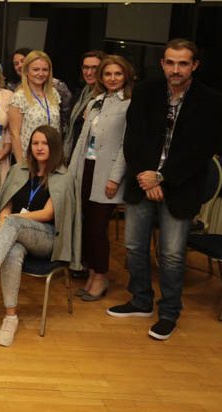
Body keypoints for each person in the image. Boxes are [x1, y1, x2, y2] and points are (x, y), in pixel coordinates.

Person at [108, 39, 222, 340]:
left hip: (181, 187)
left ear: (194, 65)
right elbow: (132, 140)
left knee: (172, 255)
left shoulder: (212, 101)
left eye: (183, 63)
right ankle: (141, 300)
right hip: (142, 182)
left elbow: (201, 152)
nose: (176, 69)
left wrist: (161, 178)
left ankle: (169, 312)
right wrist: (145, 177)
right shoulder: (145, 92)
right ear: (162, 63)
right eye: (170, 63)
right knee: (134, 247)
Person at [0, 125, 81, 346]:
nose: (39, 147)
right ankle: (10, 317)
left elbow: (48, 213)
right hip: (16, 234)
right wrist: (4, 218)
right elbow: (6, 202)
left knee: (13, 224)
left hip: (47, 238)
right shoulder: (19, 170)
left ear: (55, 147)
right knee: (13, 251)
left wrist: (9, 221)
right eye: (35, 143)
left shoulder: (63, 176)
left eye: (45, 143)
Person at [67, 55, 134, 301]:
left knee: (97, 228)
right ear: (101, 77)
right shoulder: (96, 101)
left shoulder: (129, 104)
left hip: (107, 174)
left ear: (126, 76)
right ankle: (93, 274)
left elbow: (127, 146)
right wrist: (72, 173)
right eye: (107, 74)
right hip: (86, 168)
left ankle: (101, 276)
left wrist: (114, 178)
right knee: (87, 226)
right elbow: (83, 140)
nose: (112, 78)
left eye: (117, 73)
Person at [9, 50, 61, 164]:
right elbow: (14, 134)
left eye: (45, 70)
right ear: (26, 71)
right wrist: (20, 164)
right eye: (36, 69)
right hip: (29, 159)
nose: (41, 74)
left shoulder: (54, 94)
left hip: (52, 157)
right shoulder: (19, 97)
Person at [64, 50, 107, 156]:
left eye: (94, 68)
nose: (89, 72)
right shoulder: (81, 93)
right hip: (73, 151)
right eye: (85, 67)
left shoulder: (106, 98)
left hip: (91, 154)